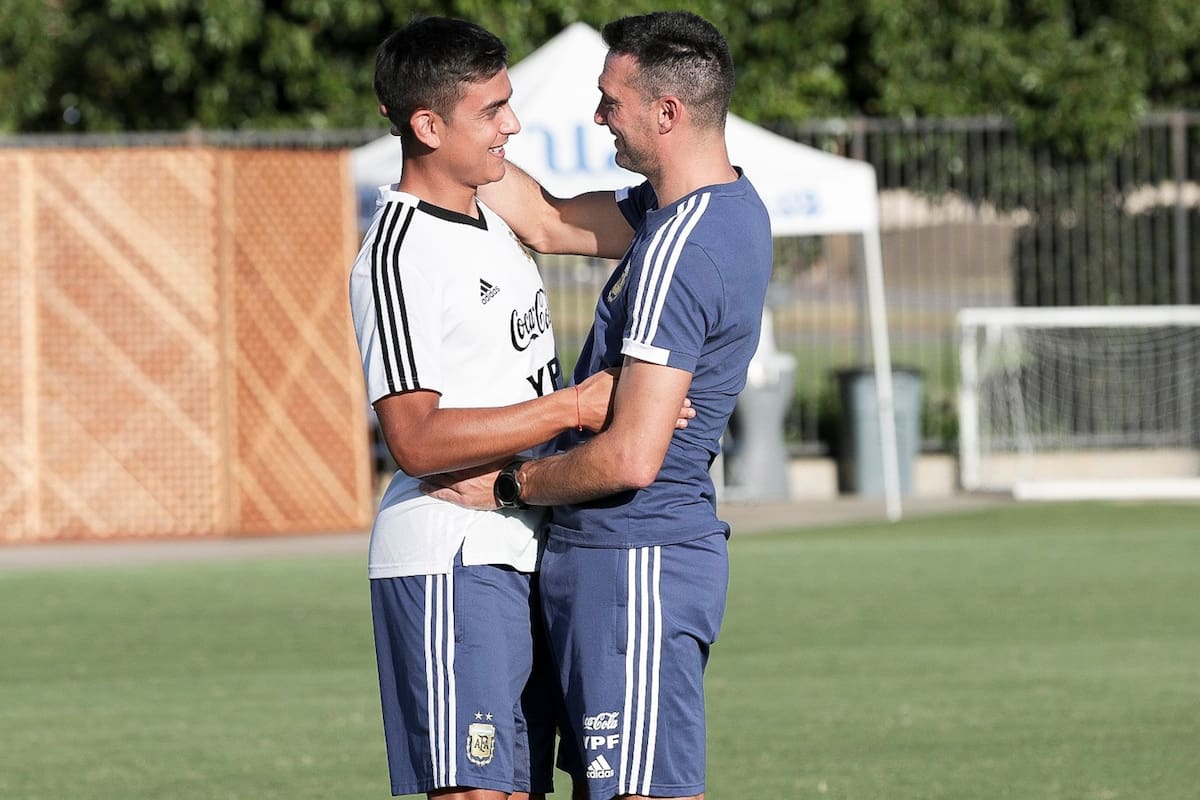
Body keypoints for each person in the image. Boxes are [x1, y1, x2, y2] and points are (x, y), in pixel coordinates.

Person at [425, 11, 773, 800]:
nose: (598, 117)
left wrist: (511, 486)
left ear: (667, 112)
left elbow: (630, 455)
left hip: (635, 564)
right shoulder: (695, 210)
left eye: (610, 101)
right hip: (607, 565)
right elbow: (548, 220)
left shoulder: (684, 248)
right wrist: (455, 132)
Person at [348, 16, 696, 799]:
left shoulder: (489, 205)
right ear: (427, 125)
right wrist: (574, 408)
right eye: (491, 111)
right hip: (450, 555)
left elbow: (562, 220)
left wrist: (708, 198)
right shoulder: (398, 252)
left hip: (519, 549)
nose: (513, 123)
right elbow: (413, 438)